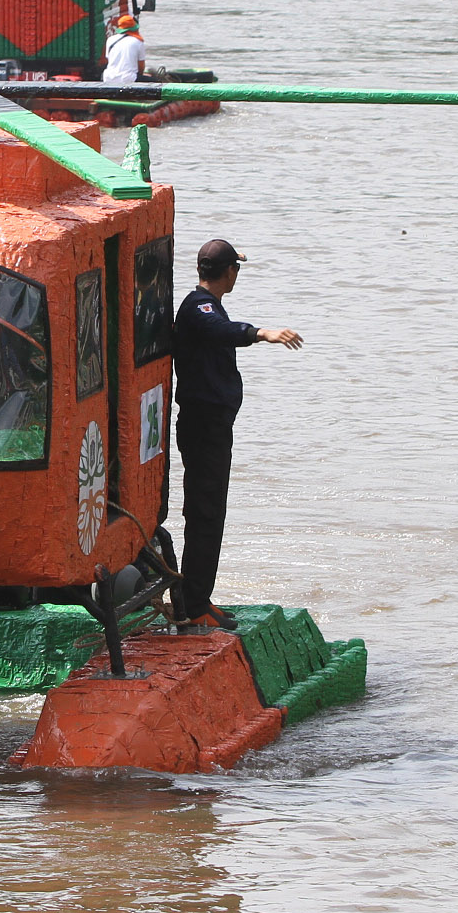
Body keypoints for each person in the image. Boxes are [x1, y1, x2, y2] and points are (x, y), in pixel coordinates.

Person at [170, 239, 303, 630]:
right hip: (203, 426)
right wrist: (262, 333)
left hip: (210, 425)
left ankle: (197, 597)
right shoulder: (200, 307)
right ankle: (194, 606)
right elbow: (220, 329)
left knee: (209, 511)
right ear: (228, 272)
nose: (237, 275)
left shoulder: (203, 304)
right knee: (206, 513)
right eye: (237, 268)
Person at [103, 12, 146, 83]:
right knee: (155, 81)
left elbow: (109, 60)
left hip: (108, 77)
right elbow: (141, 66)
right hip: (128, 78)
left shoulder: (110, 40)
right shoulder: (138, 42)